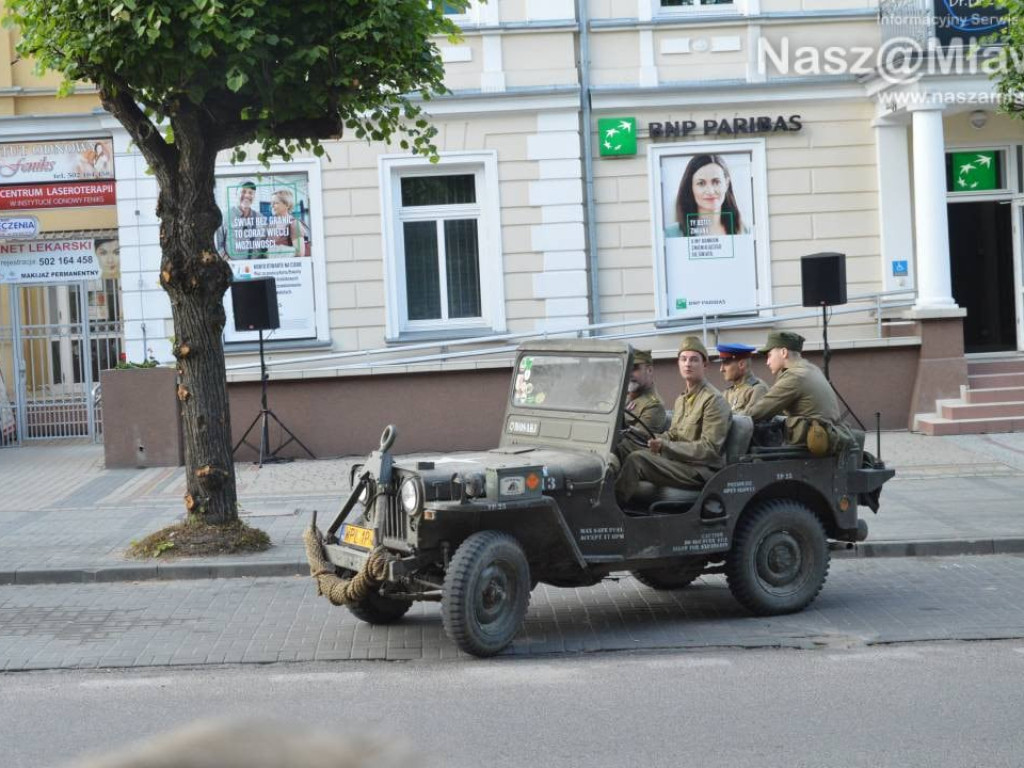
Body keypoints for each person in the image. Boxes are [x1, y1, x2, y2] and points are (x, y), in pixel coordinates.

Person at [615, 336, 731, 506]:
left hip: (700, 470)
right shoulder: (683, 398)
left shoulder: (713, 400)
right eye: (683, 359)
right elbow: (675, 433)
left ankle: (611, 512)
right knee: (623, 447)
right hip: (680, 462)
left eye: (694, 360)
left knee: (636, 460)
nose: (688, 364)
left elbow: (710, 449)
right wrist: (654, 438)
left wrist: (665, 446)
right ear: (678, 363)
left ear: (704, 365)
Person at [746, 330, 846, 455]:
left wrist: (735, 417)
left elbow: (759, 412)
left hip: (811, 445)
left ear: (783, 352)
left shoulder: (794, 376)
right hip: (827, 439)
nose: (767, 362)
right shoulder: (810, 369)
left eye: (769, 355)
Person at [665, 154, 745, 238]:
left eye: (716, 182)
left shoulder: (745, 231)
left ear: (726, 184)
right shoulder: (670, 234)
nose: (710, 191)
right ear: (690, 187)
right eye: (701, 183)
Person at [616, 349, 667, 461]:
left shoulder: (654, 406)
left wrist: (620, 418)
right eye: (626, 368)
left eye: (634, 368)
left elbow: (634, 445)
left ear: (649, 370)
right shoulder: (620, 397)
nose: (629, 373)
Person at [216, 181, 264, 259]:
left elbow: (264, 245)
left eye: (251, 193)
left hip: (255, 267)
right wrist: (230, 263)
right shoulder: (224, 216)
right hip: (233, 267)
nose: (247, 195)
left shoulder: (260, 217)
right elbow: (218, 246)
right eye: (243, 191)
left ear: (254, 196)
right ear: (236, 194)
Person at [717, 342, 768, 415]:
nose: (721, 369)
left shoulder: (757, 389)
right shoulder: (727, 393)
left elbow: (750, 419)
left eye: (726, 364)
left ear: (741, 364)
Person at [269, 188, 309, 257]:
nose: (272, 206)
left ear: (287, 205)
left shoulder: (294, 224)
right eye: (271, 203)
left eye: (275, 203)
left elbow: (300, 253)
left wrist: (275, 251)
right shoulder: (272, 224)